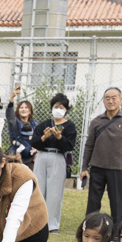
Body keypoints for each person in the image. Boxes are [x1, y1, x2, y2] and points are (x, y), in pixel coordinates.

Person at [79, 87, 122, 224]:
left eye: (113, 98)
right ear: (103, 101)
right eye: (107, 98)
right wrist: (84, 167)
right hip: (97, 167)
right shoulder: (96, 121)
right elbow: (89, 146)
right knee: (93, 201)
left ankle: (117, 231)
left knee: (117, 202)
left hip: (117, 168)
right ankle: (90, 226)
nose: (110, 101)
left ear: (120, 100)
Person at [32, 93, 78, 233]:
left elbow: (69, 146)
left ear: (66, 110)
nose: (58, 109)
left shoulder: (69, 126)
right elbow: (34, 143)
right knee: (38, 189)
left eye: (61, 107)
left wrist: (59, 137)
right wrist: (44, 137)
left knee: (55, 193)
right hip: (42, 156)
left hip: (58, 158)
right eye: (56, 106)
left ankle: (52, 225)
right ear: (51, 107)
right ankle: (36, 222)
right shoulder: (44, 125)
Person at [6, 84, 37, 167]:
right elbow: (9, 115)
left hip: (30, 154)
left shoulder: (34, 124)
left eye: (26, 107)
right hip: (16, 153)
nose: (24, 109)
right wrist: (12, 98)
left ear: (30, 111)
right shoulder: (15, 122)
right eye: (21, 107)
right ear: (18, 110)